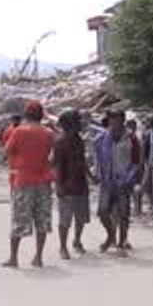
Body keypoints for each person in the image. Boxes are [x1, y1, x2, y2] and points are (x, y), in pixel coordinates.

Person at [1, 100, 55, 269]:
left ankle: (13, 258)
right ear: (41, 115)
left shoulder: (19, 132)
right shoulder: (48, 133)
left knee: (19, 219)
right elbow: (53, 155)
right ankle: (38, 257)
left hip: (23, 179)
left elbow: (7, 151)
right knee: (42, 220)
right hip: (44, 180)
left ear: (26, 114)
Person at [96, 110, 143, 254]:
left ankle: (122, 242)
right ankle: (111, 236)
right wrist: (98, 174)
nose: (112, 122)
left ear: (122, 120)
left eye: (115, 119)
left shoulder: (132, 138)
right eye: (110, 119)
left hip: (124, 181)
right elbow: (98, 158)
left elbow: (136, 161)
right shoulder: (102, 137)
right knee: (103, 212)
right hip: (107, 181)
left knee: (123, 214)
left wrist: (131, 178)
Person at [53, 109, 93, 260]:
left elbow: (82, 162)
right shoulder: (60, 142)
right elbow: (56, 165)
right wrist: (58, 185)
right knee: (65, 219)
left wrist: (91, 177)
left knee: (81, 217)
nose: (79, 125)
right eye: (76, 122)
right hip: (67, 185)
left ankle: (77, 240)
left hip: (80, 184)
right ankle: (63, 247)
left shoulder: (78, 140)